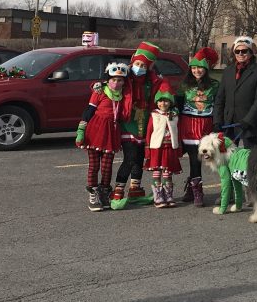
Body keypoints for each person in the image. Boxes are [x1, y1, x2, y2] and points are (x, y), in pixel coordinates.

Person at [76, 62, 132, 211]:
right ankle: (93, 195)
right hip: (96, 130)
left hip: (112, 132)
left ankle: (104, 192)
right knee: (94, 166)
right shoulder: (100, 92)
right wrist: (81, 130)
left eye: (120, 80)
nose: (116, 82)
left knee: (107, 167)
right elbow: (89, 110)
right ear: (108, 80)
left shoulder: (123, 94)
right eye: (113, 79)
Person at [113, 41, 163, 202]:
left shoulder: (153, 80)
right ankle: (118, 190)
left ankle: (135, 189)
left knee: (140, 157)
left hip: (144, 124)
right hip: (128, 123)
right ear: (133, 61)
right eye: (137, 63)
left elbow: (163, 94)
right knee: (130, 157)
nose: (140, 67)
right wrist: (98, 86)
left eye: (143, 65)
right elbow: (110, 83)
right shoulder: (124, 77)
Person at [178, 47, 220, 206]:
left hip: (206, 126)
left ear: (206, 69)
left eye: (200, 67)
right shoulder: (184, 85)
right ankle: (197, 191)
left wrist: (217, 125)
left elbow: (218, 105)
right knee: (194, 160)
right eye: (194, 67)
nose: (197, 70)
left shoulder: (215, 85)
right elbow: (178, 104)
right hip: (188, 125)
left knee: (201, 158)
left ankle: (192, 187)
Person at [214, 36, 257, 148]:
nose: (240, 54)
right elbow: (220, 98)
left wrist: (248, 120)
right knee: (228, 158)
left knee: (250, 159)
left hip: (248, 124)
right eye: (237, 51)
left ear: (251, 52)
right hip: (228, 122)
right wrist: (217, 120)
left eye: (244, 51)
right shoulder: (228, 71)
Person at [145, 81, 182, 208]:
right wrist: (147, 149)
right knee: (157, 172)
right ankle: (158, 196)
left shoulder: (174, 115)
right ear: (157, 102)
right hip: (156, 148)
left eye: (166, 101)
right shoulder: (154, 115)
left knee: (167, 172)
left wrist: (178, 148)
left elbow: (178, 132)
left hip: (169, 148)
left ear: (170, 102)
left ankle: (168, 195)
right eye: (160, 101)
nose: (163, 104)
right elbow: (149, 132)